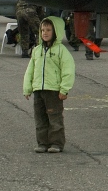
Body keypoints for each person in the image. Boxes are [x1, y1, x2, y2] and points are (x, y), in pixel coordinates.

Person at [23, 16, 76, 153]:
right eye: (42, 30)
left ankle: (56, 143)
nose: (45, 33)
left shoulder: (61, 50)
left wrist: (64, 89)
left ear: (56, 31)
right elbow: (30, 70)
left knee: (55, 118)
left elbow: (68, 70)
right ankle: (42, 143)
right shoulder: (37, 50)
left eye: (48, 30)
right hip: (38, 90)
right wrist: (27, 87)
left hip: (53, 90)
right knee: (40, 118)